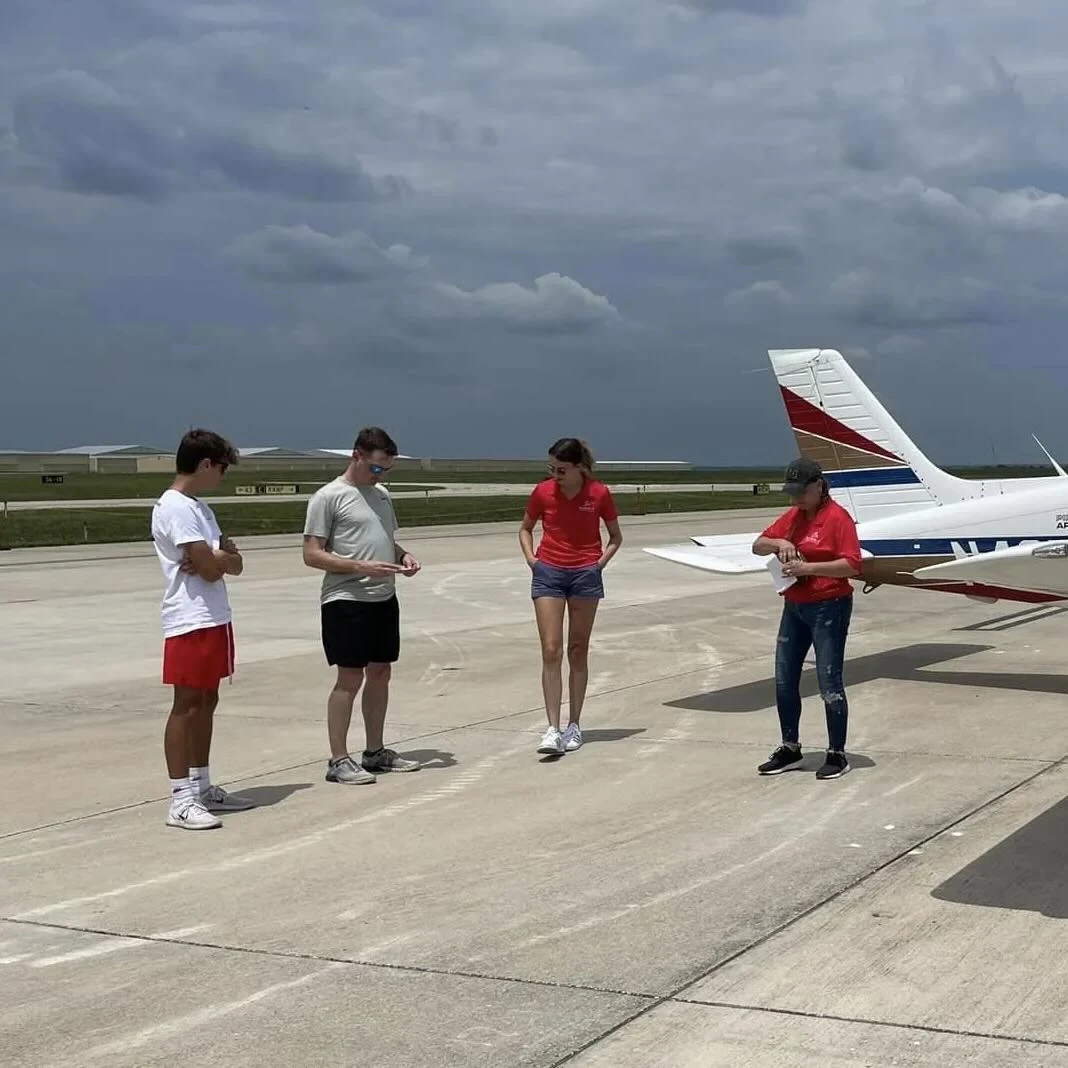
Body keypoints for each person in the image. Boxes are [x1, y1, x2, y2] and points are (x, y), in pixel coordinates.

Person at [302, 426, 422, 784]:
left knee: (380, 671)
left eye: (386, 469)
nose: (380, 475)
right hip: (346, 599)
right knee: (350, 677)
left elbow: (385, 540)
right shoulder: (329, 497)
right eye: (375, 468)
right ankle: (338, 759)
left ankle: (374, 751)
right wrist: (359, 566)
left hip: (383, 596)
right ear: (356, 456)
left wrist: (403, 556)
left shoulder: (381, 495)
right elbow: (312, 554)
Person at [151, 428, 256, 830]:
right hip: (189, 618)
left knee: (208, 700)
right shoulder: (175, 507)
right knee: (187, 704)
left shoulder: (201, 509)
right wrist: (218, 558)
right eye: (222, 468)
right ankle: (180, 798)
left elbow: (233, 563)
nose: (223, 476)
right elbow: (212, 569)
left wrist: (218, 558)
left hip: (214, 617)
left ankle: (202, 785)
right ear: (205, 464)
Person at [751, 456, 862, 780]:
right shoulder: (794, 517)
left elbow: (852, 565)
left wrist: (808, 568)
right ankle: (790, 747)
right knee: (784, 678)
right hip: (795, 606)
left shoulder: (837, 518)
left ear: (819, 486)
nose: (796, 498)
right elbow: (757, 545)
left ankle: (837, 753)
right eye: (792, 492)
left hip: (829, 605)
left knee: (829, 681)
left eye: (801, 492)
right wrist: (780, 542)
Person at [519, 438, 623, 755]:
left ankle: (574, 725)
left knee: (578, 650)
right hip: (549, 572)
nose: (556, 475)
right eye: (552, 468)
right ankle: (552, 728)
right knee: (551, 649)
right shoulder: (543, 492)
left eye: (561, 470)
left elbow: (615, 537)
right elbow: (525, 528)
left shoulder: (598, 493)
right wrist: (532, 560)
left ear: (579, 468)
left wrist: (598, 565)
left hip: (584, 574)